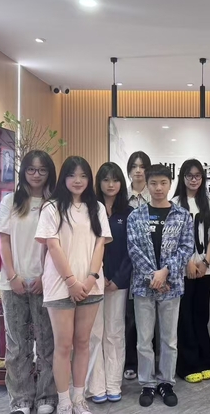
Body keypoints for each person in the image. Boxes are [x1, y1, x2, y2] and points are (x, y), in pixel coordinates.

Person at [35, 156, 112, 414]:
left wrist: (90, 279)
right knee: (63, 345)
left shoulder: (97, 207)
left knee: (82, 343)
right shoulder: (51, 207)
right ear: (63, 178)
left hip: (90, 286)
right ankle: (64, 401)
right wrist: (71, 281)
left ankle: (79, 398)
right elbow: (52, 246)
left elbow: (100, 243)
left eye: (83, 175)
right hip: (60, 286)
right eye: (72, 175)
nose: (77, 180)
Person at [127, 164, 194, 408]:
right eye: (153, 183)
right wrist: (153, 277)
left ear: (170, 184)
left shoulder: (182, 215)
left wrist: (164, 273)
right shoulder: (136, 216)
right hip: (143, 287)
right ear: (147, 184)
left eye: (163, 183)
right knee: (144, 339)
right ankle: (147, 383)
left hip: (171, 286)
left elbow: (186, 248)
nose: (158, 188)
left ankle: (166, 382)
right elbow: (133, 249)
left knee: (169, 339)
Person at [0, 150, 58, 414]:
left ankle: (46, 397)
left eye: (42, 170)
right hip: (13, 283)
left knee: (46, 343)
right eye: (31, 169)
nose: (36, 174)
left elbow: (58, 245)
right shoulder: (10, 201)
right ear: (24, 172)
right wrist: (12, 276)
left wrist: (45, 276)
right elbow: (4, 241)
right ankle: (20, 399)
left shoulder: (54, 203)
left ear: (49, 173)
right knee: (17, 345)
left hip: (46, 283)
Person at [86, 162, 133, 404]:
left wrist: (117, 279)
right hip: (93, 280)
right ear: (99, 183)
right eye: (106, 179)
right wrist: (96, 275)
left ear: (121, 183)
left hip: (118, 282)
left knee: (115, 332)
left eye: (115, 179)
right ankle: (96, 386)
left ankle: (114, 383)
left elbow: (132, 250)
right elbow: (86, 247)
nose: (111, 184)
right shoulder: (89, 209)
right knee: (94, 333)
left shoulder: (129, 212)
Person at [172, 159, 210, 383]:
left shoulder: (208, 202)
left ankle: (205, 361)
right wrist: (187, 262)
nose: (193, 179)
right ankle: (187, 365)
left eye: (197, 175)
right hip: (182, 271)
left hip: (205, 270)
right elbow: (171, 240)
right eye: (189, 175)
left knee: (201, 316)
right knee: (184, 317)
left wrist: (205, 262)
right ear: (182, 178)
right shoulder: (174, 203)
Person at [124, 151, 152, 381]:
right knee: (130, 318)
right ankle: (130, 362)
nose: (138, 170)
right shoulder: (122, 198)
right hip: (127, 267)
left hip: (153, 268)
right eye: (134, 166)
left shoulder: (157, 197)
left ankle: (153, 364)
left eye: (142, 166)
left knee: (152, 320)